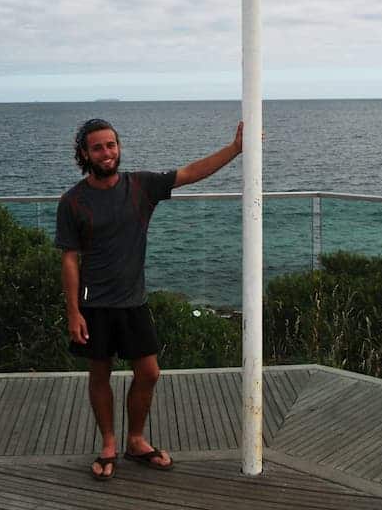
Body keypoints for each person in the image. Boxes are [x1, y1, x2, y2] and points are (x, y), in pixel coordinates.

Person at [56, 117, 243, 481]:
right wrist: (73, 311)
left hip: (133, 301)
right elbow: (69, 259)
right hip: (94, 305)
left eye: (111, 145)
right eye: (98, 147)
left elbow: (190, 172)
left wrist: (235, 150)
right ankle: (108, 444)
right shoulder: (73, 202)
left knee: (149, 372)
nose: (107, 152)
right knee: (100, 374)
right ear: (84, 153)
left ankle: (135, 440)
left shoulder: (140, 186)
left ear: (119, 147)